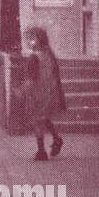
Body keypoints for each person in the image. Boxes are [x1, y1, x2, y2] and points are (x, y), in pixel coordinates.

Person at [25, 26, 66, 160]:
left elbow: (31, 78)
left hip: (38, 92)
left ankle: (41, 151)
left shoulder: (34, 57)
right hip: (49, 90)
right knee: (44, 118)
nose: (29, 41)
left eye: (32, 39)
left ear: (39, 40)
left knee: (38, 120)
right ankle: (56, 139)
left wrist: (23, 90)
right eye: (28, 39)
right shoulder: (49, 53)